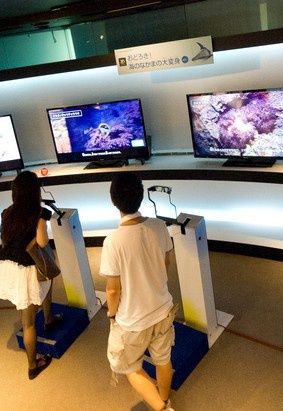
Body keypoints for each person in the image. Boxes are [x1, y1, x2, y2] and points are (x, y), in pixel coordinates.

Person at [100, 172, 176, 411]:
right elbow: (166, 262)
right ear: (141, 196)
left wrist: (112, 314)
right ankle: (164, 399)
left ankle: (162, 408)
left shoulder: (113, 241)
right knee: (163, 360)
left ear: (113, 200)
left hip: (133, 320)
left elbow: (113, 290)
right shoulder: (159, 226)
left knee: (128, 366)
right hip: (162, 309)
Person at [0, 170, 62, 379]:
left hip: (8, 267)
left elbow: (4, 239)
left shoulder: (7, 212)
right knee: (28, 322)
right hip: (28, 270)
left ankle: (49, 318)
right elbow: (42, 242)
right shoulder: (39, 213)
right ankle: (33, 365)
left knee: (44, 286)